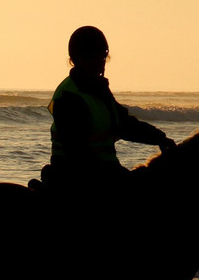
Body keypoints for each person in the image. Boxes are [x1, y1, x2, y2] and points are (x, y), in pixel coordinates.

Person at [44, 26, 174, 193]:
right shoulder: (70, 96)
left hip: (105, 170)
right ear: (77, 59)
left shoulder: (99, 90)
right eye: (92, 57)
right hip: (76, 176)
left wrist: (160, 138)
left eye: (102, 56)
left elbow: (125, 124)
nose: (99, 62)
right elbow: (77, 152)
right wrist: (114, 176)